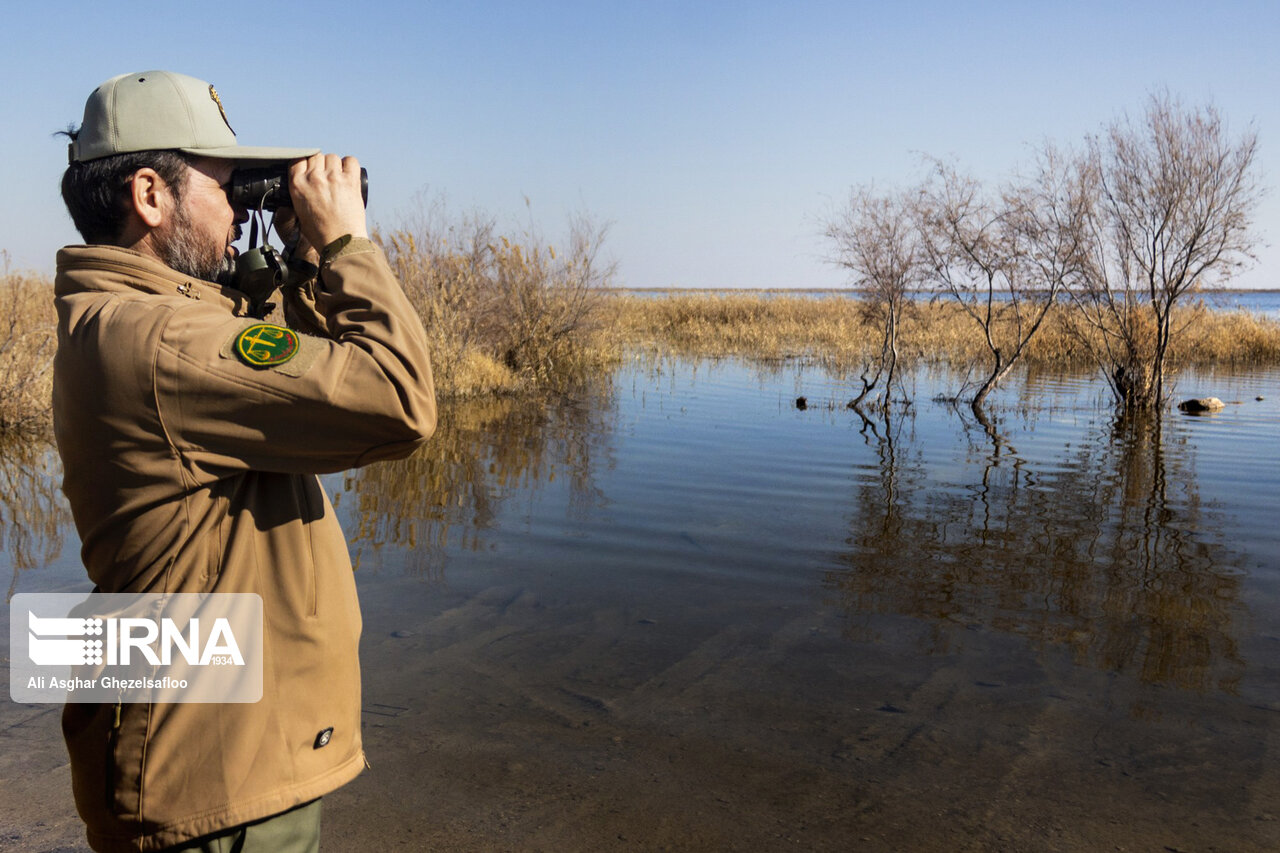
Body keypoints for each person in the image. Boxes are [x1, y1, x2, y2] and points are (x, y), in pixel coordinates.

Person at [52, 70, 436, 852]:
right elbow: (398, 398)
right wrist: (344, 245)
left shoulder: (119, 319)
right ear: (151, 196)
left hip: (206, 752)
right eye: (227, 186)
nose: (238, 209)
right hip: (217, 789)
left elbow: (289, 370)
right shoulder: (160, 341)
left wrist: (291, 259)